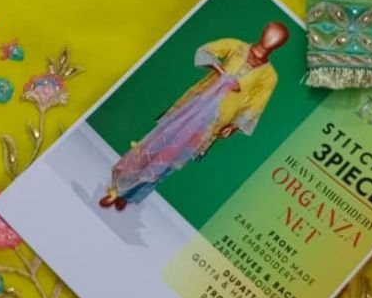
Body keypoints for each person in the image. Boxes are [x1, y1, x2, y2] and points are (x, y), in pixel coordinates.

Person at [99, 21, 289, 210]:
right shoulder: (236, 46)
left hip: (214, 119)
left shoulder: (269, 76)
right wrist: (221, 71)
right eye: (270, 34)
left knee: (170, 159)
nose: (271, 39)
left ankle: (131, 195)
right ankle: (117, 186)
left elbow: (256, 105)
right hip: (193, 106)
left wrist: (234, 125)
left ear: (279, 45)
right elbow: (205, 51)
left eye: (277, 39)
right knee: (155, 143)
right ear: (264, 32)